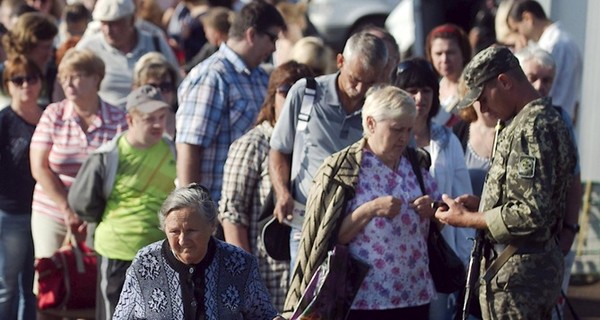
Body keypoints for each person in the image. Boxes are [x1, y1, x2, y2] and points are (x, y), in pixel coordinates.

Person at [435, 46, 577, 319]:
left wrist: (467, 219)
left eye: (483, 98)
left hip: (518, 280)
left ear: (504, 82)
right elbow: (537, 197)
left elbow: (530, 213)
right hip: (525, 271)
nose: (482, 108)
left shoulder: (531, 127)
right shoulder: (544, 119)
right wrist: (484, 205)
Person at [284, 85, 439, 319]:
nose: (404, 138)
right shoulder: (343, 169)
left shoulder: (416, 164)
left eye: (408, 130)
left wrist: (433, 211)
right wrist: (370, 210)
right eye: (397, 129)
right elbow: (327, 237)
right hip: (363, 299)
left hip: (414, 293)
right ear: (370, 124)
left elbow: (436, 227)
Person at [269, 31, 388, 268]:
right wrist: (282, 193)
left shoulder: (380, 108)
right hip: (306, 224)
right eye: (355, 78)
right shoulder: (306, 93)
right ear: (340, 61)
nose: (360, 89)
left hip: (360, 228)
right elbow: (278, 149)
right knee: (302, 302)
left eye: (370, 82)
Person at [30, 48, 127, 320]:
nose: (68, 84)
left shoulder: (118, 119)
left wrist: (89, 214)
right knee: (50, 286)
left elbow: (122, 172)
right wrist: (67, 209)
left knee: (89, 289)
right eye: (64, 77)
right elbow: (39, 166)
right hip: (52, 210)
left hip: (99, 215)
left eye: (76, 76)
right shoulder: (53, 114)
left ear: (96, 78)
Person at [68, 85, 177, 320]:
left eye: (161, 117)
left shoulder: (174, 150)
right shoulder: (108, 155)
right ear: (130, 119)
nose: (158, 124)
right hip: (117, 251)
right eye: (149, 119)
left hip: (161, 252)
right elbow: (81, 201)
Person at [219, 61, 314, 311]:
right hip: (264, 273)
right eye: (286, 90)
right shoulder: (253, 143)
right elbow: (231, 214)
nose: (294, 97)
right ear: (273, 97)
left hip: (305, 269)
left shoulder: (314, 145)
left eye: (302, 92)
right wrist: (245, 277)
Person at [113, 183, 283, 319]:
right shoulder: (145, 263)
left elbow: (264, 314)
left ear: (212, 227)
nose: (182, 240)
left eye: (191, 231)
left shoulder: (240, 263)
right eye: (174, 231)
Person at [176, 0, 285, 204]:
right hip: (215, 208)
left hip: (249, 208)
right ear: (251, 34)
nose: (273, 48)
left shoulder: (260, 77)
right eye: (271, 38)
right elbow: (189, 146)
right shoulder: (212, 76)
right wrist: (193, 211)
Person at [395, 58, 474, 320]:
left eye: (426, 90)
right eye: (412, 90)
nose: (419, 98)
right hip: (395, 253)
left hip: (439, 253)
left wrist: (465, 262)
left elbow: (461, 202)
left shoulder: (447, 138)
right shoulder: (388, 138)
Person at [514, 47, 582, 320]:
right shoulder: (505, 119)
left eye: (547, 79)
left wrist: (569, 230)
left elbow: (574, 179)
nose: (540, 86)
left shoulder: (561, 119)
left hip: (550, 244)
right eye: (533, 78)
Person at [0, 55, 42, 320]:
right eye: (18, 79)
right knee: (7, 285)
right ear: (8, 85)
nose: (26, 84)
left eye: (32, 78)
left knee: (36, 285)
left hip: (46, 214)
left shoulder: (52, 114)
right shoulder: (3, 121)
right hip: (12, 213)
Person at [76, 0, 178, 108]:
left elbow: (177, 81)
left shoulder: (155, 42)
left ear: (132, 20)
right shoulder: (89, 48)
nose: (108, 30)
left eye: (115, 23)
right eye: (104, 23)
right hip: (106, 120)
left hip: (150, 117)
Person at [507, 0, 582, 123]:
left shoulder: (552, 45)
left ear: (528, 18)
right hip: (562, 119)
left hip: (550, 121)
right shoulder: (566, 40)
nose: (520, 36)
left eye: (517, 29)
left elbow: (543, 90)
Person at [2, 12, 58, 108]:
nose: (50, 53)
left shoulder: (54, 76)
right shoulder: (2, 75)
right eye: (45, 47)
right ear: (27, 47)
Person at [425, 23, 472, 128]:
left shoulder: (473, 88)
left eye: (450, 53)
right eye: (438, 54)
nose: (444, 59)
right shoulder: (431, 88)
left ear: (463, 53)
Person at [132, 52, 180, 138]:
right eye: (150, 87)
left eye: (165, 86)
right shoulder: (124, 125)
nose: (158, 92)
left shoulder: (185, 123)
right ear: (136, 89)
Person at [183, 6, 233, 74]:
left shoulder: (211, 49)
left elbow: (188, 68)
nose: (206, 35)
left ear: (216, 33)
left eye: (206, 31)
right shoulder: (238, 48)